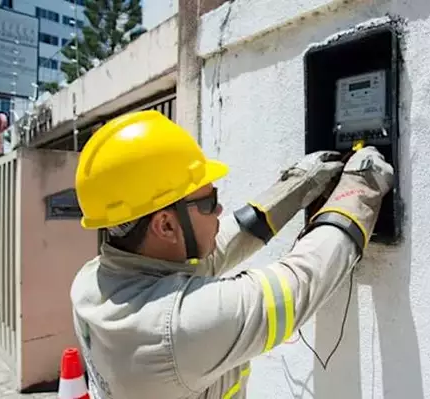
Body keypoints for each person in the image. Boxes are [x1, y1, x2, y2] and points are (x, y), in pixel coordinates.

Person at [70, 110, 394, 399]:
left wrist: (295, 187)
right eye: (209, 202)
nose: (220, 210)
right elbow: (301, 282)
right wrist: (359, 189)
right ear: (165, 225)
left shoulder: (92, 281)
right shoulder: (175, 329)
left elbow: (218, 246)